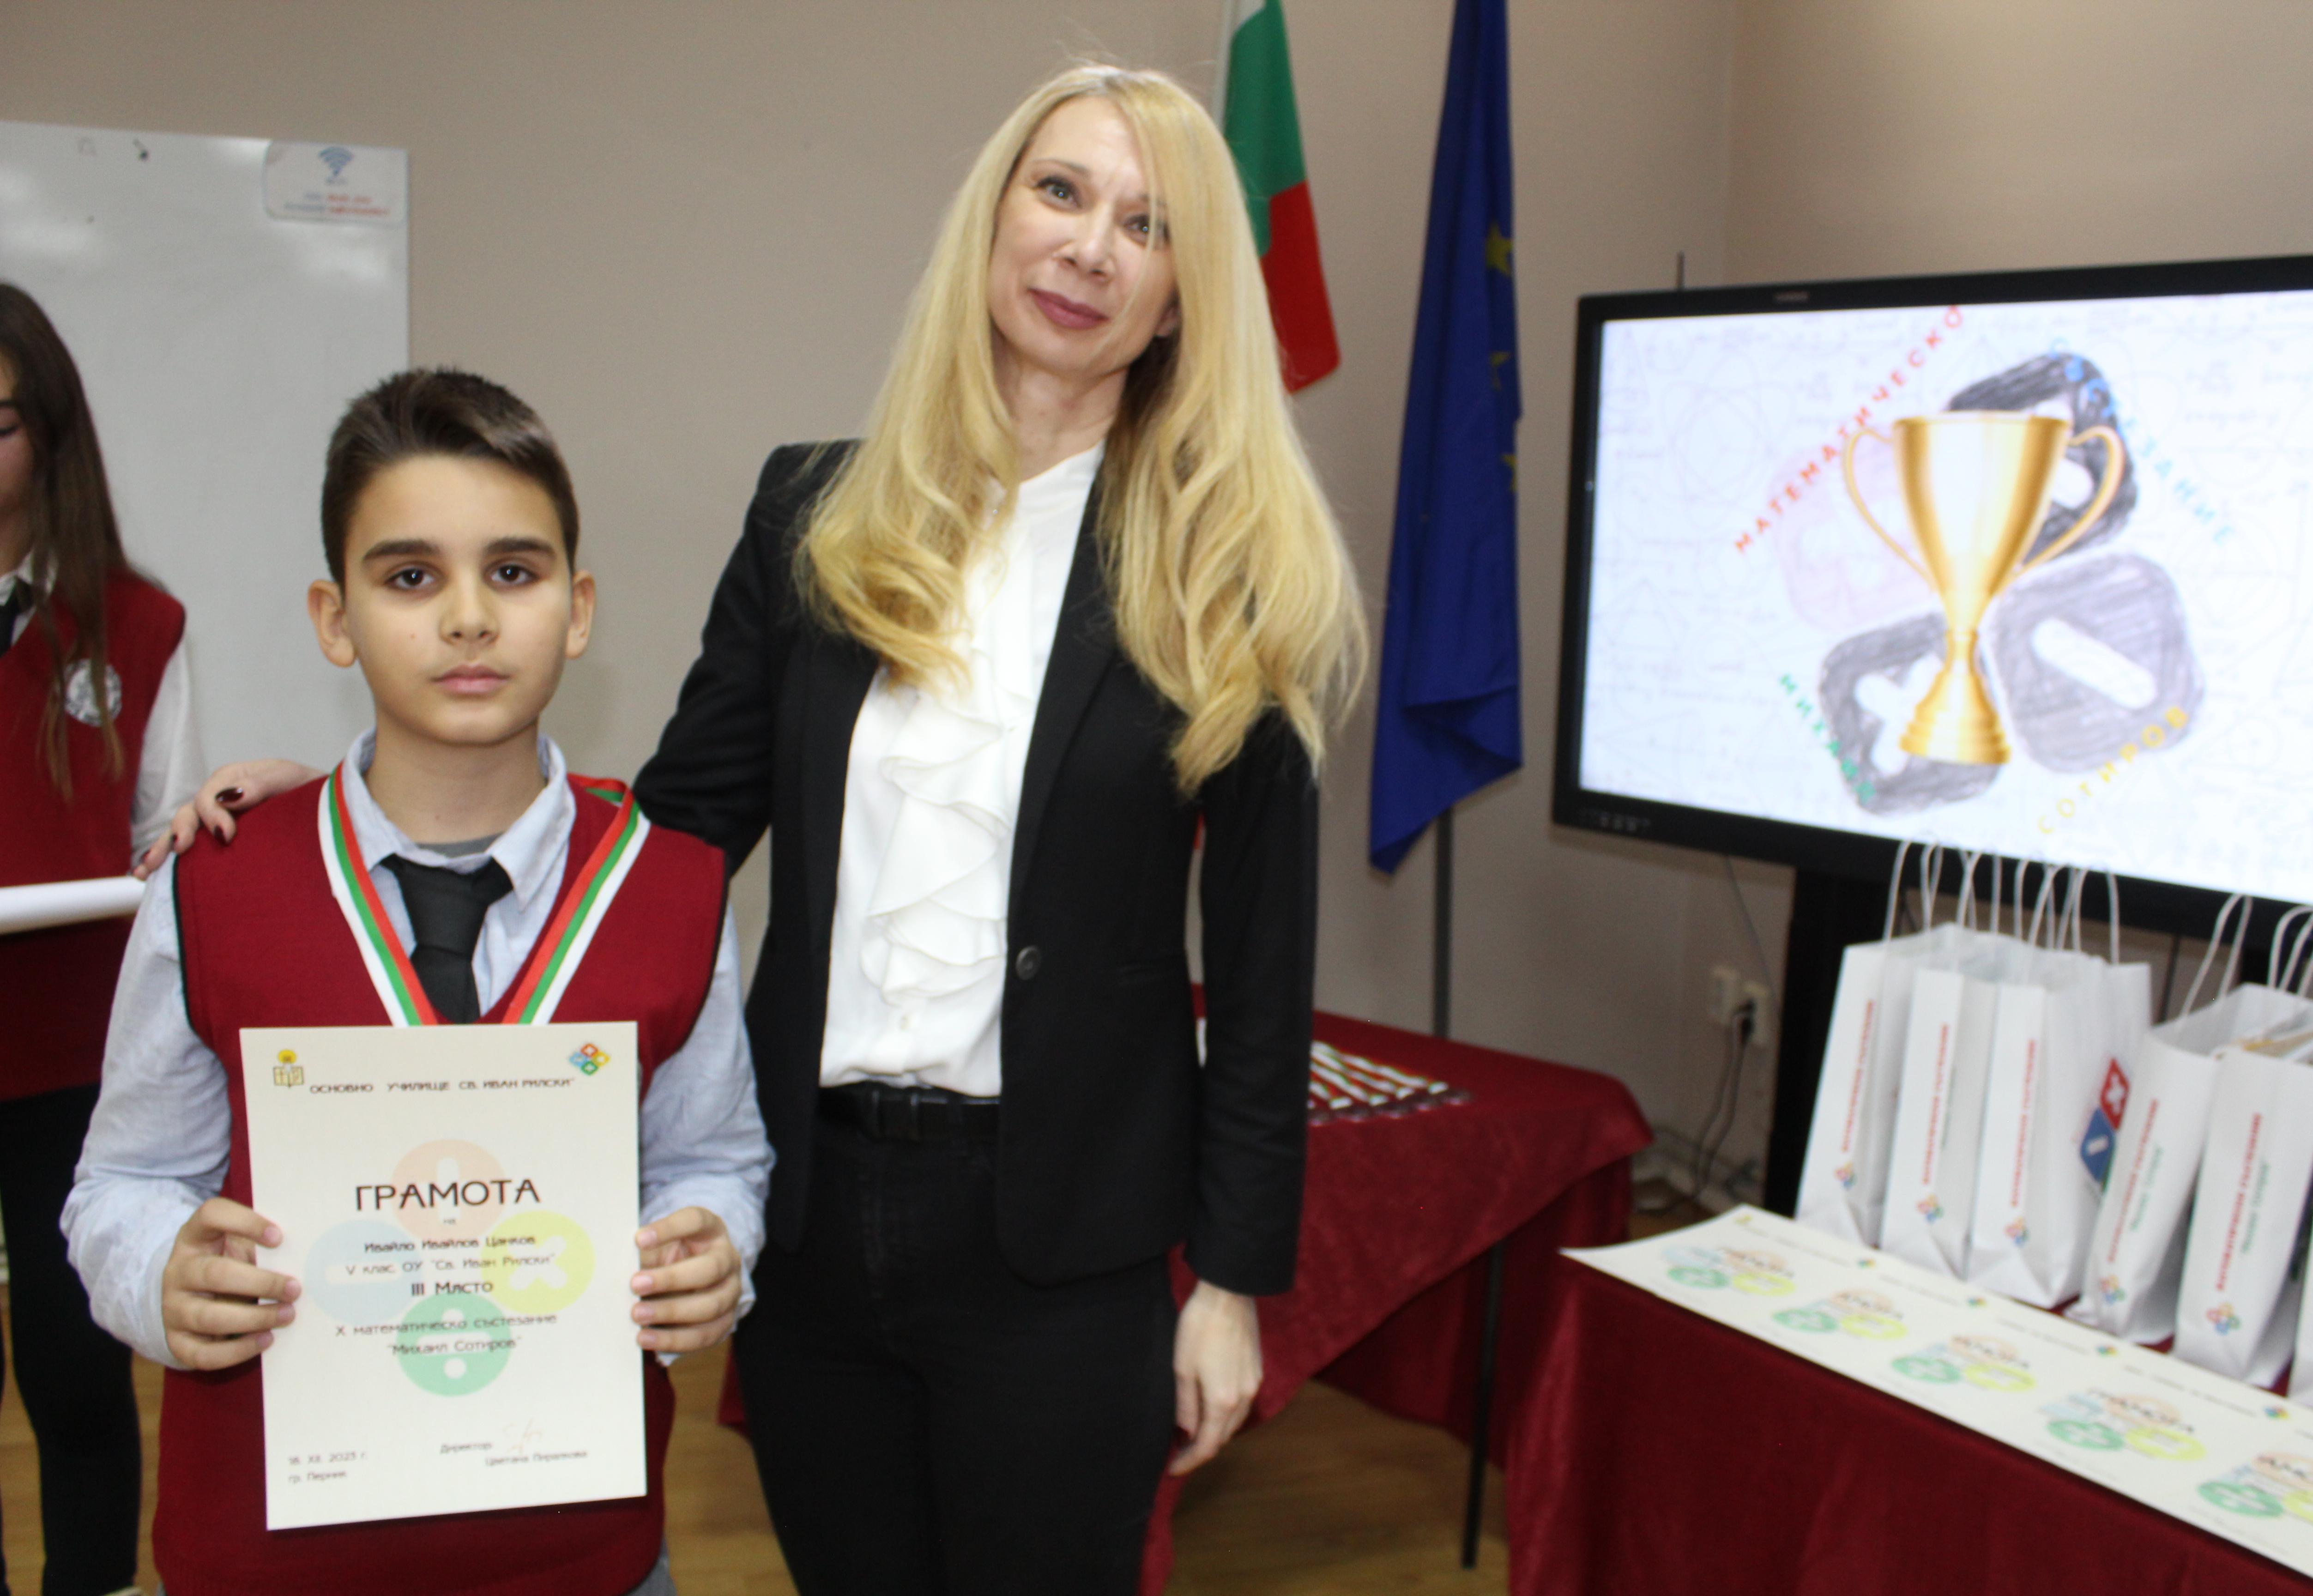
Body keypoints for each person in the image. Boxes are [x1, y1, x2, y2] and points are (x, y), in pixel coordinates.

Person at [145, 63, 1365, 1596]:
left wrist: (1234, 1286)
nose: (1091, 248)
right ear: (992, 219)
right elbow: (676, 830)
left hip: (1067, 1249)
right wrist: (359, 805)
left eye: (1149, 223)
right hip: (811, 1219)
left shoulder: (1231, 574)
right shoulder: (816, 514)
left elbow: (1260, 977)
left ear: (1187, 295)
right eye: (1060, 192)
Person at [72, 369, 772, 1596]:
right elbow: (122, 1184)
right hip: (268, 1556)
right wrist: (157, 1275)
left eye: (514, 571)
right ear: (334, 619)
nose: (468, 618)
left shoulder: (671, 890)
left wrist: (718, 1247)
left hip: (585, 1558)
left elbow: (713, 1158)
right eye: (409, 577)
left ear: (579, 608)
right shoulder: (218, 885)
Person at [0, 283, 196, 1596]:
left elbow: (161, 838)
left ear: (49, 434)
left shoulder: (136, 621)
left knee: (75, 1368)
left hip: (72, 1053)